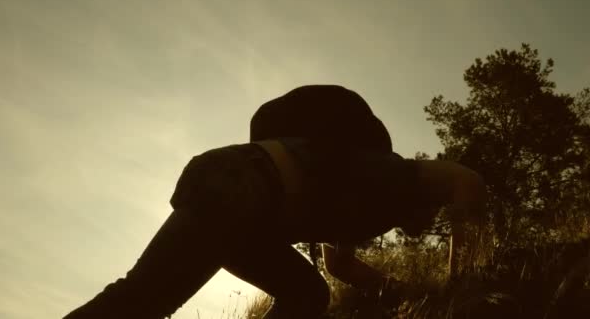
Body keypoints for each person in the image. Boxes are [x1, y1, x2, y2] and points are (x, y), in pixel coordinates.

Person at [63, 85, 486, 319]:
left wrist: (410, 293)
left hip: (240, 200)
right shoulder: (396, 173)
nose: (431, 219)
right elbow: (466, 180)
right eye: (435, 213)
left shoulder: (356, 204)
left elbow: (340, 266)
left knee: (306, 294)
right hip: (242, 184)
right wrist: (463, 285)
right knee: (143, 301)